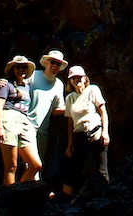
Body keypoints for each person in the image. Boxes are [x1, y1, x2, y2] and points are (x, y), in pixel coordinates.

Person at [62, 65, 110, 195]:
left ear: (84, 78)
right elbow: (70, 122)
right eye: (73, 78)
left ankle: (107, 199)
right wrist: (69, 143)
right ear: (70, 81)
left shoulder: (92, 90)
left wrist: (105, 132)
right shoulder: (69, 98)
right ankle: (63, 200)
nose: (76, 80)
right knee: (72, 169)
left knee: (102, 169)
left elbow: (103, 112)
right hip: (79, 137)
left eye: (79, 77)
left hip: (96, 134)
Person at [0, 55, 42, 185]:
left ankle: (19, 189)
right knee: (11, 165)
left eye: (24, 67)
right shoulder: (6, 84)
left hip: (24, 121)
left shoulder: (27, 86)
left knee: (36, 164)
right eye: (18, 67)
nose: (21, 69)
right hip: (8, 118)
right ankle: (9, 195)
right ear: (13, 69)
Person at [28, 49, 68, 182]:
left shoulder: (59, 85)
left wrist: (75, 107)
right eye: (53, 62)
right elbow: (18, 89)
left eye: (58, 63)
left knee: (38, 161)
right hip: (26, 126)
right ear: (46, 62)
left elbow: (57, 110)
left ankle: (32, 191)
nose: (55, 66)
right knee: (28, 162)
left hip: (42, 130)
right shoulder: (33, 76)